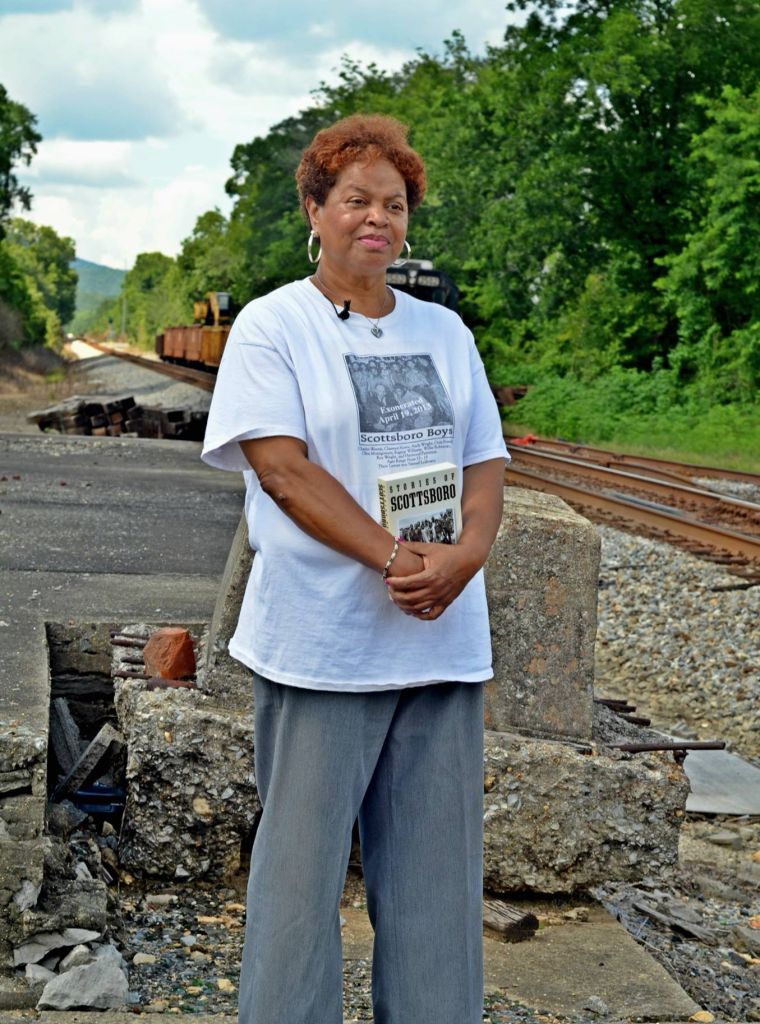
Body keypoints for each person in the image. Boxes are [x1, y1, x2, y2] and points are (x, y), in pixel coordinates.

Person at [201, 113, 509, 1024]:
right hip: (324, 645)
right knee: (298, 888)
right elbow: (284, 470)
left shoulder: (445, 332)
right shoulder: (274, 326)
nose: (377, 219)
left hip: (441, 641)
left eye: (395, 204)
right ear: (316, 208)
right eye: (356, 201)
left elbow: (485, 460)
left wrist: (467, 555)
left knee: (437, 890)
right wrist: (395, 558)